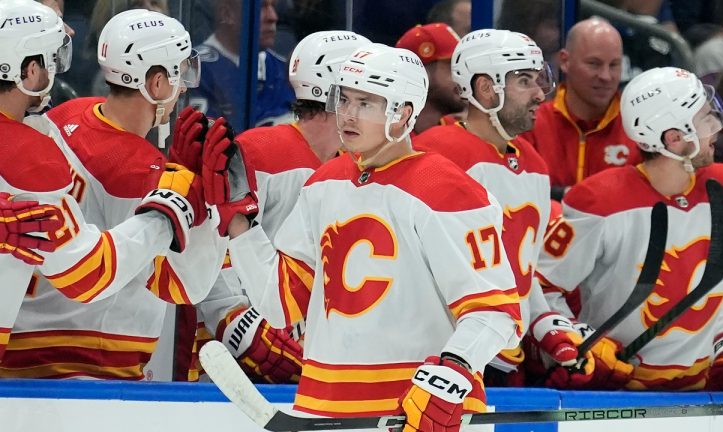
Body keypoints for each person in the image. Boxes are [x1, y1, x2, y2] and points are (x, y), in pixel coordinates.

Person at [214, 43, 522, 424]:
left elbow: (495, 312)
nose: (348, 115)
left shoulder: (447, 189)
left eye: (366, 103)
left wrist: (450, 374)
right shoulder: (323, 184)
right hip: (322, 408)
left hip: (419, 412)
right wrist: (241, 224)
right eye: (343, 100)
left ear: (404, 113)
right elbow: (280, 303)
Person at [0, 8, 230, 380]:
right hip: (87, 369)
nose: (185, 85)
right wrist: (182, 210)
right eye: (180, 73)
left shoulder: (57, 121)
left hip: (16, 353)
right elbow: (185, 284)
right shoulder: (142, 173)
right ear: (157, 83)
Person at [537, 66, 723, 391]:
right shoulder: (598, 201)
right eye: (705, 119)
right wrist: (578, 341)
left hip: (704, 398)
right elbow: (542, 286)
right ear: (675, 138)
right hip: (614, 395)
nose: (716, 128)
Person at [184, 30, 373, 384]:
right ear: (335, 93)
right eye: (364, 91)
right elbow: (212, 249)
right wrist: (244, 331)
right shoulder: (257, 151)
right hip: (237, 374)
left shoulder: (363, 166)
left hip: (323, 363)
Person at [414, 29, 599, 388]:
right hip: (440, 360)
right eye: (524, 81)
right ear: (486, 89)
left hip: (505, 361)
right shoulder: (434, 154)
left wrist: (546, 327)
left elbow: (520, 274)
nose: (539, 94)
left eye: (538, 79)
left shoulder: (533, 165)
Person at [520, 18, 642, 201]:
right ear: (565, 61)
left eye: (614, 65)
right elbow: (515, 192)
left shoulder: (640, 130)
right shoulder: (530, 124)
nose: (606, 76)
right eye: (594, 64)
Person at [189, 0, 295, 132]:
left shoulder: (284, 69)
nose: (273, 17)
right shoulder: (197, 70)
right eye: (261, 7)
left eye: (273, 6)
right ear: (227, 14)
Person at [395, 23, 466, 134]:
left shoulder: (469, 135)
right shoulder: (384, 140)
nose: (463, 76)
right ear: (419, 74)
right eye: (451, 65)